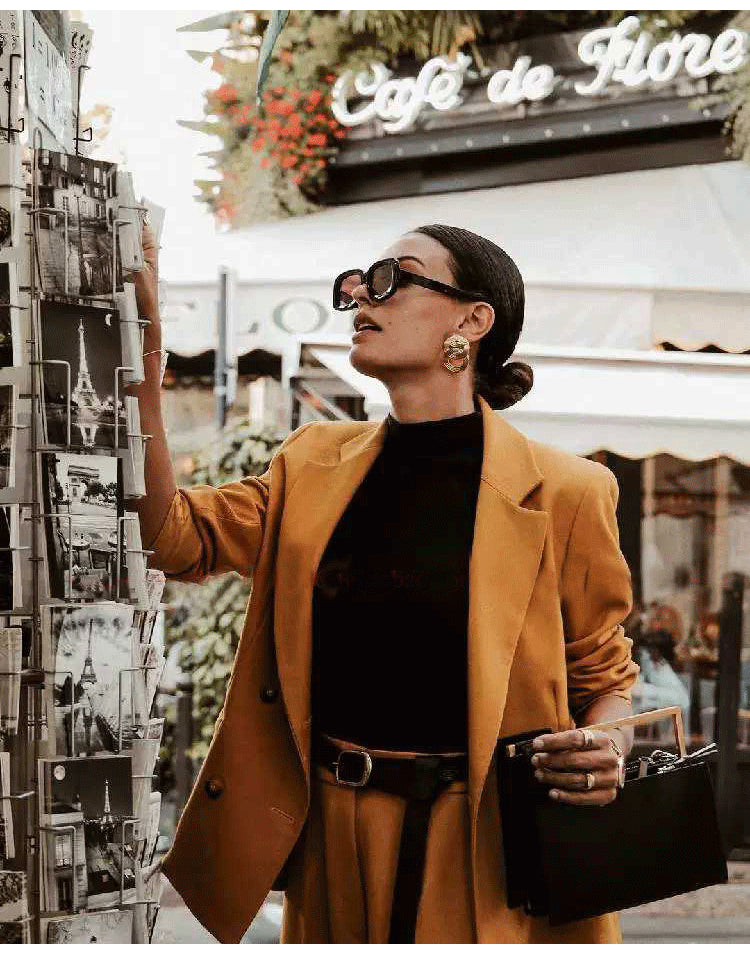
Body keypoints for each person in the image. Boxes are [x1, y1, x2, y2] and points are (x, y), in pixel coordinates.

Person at [130, 223, 640, 944]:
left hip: (488, 850)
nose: (362, 297)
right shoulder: (311, 461)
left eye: (392, 278)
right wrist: (143, 363)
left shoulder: (568, 492)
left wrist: (606, 747)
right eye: (360, 282)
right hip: (332, 837)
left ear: (473, 321)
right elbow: (170, 537)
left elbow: (605, 678)